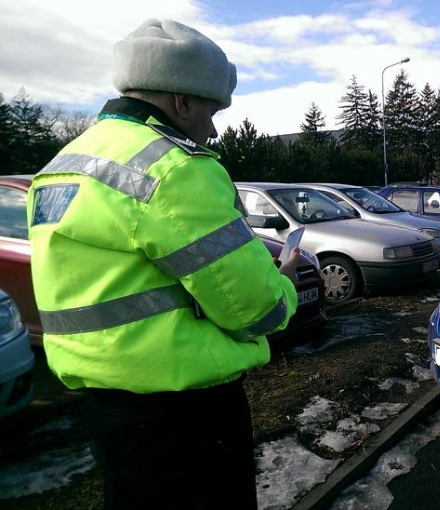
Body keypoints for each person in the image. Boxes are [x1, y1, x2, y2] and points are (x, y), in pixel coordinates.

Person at [26, 19, 300, 509]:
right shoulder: (174, 169)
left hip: (107, 412)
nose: (214, 128)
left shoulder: (61, 166)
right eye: (213, 110)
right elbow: (254, 309)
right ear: (183, 101)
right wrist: (286, 285)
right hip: (186, 418)